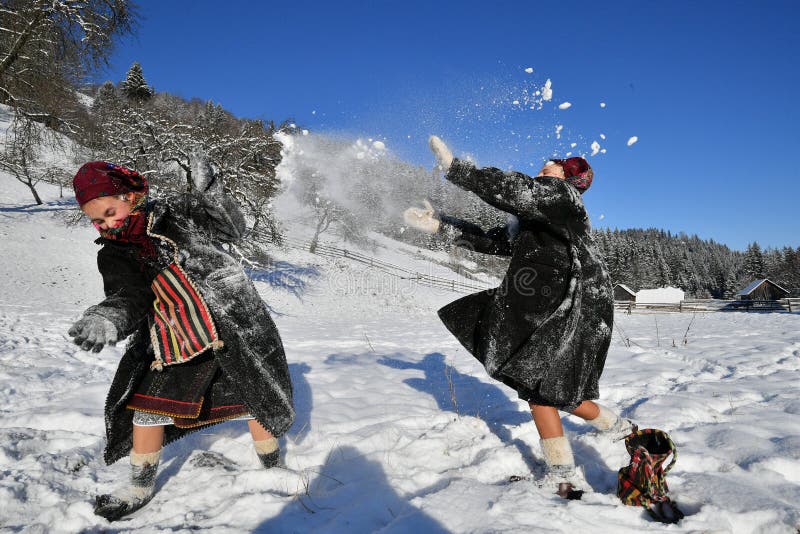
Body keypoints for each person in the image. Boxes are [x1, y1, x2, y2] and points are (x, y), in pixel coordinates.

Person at [403, 136, 630, 498]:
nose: (546, 167)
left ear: (571, 177)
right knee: (552, 388)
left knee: (542, 389)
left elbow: (517, 190)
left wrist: (457, 169)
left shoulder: (561, 197)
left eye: (555, 166)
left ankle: (560, 476)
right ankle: (620, 428)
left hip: (573, 307)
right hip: (559, 307)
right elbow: (495, 241)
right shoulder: (542, 216)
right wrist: (441, 226)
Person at [68, 161, 294, 520]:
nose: (108, 224)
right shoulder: (113, 253)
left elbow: (232, 228)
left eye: (110, 212)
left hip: (230, 323)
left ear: (130, 196)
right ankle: (140, 485)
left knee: (254, 395)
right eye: (98, 221)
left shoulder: (179, 212)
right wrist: (109, 315)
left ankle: (273, 467)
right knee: (147, 409)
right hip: (173, 336)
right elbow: (128, 295)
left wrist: (212, 195)